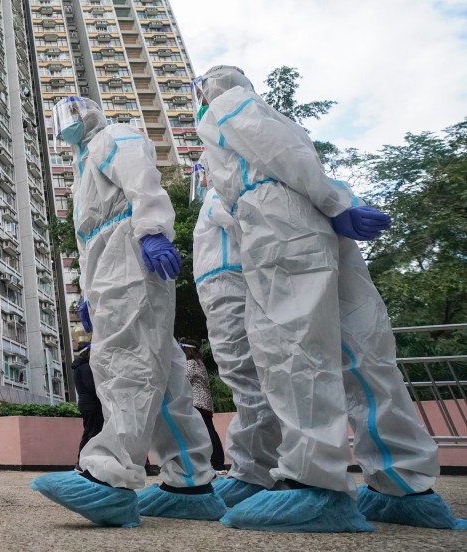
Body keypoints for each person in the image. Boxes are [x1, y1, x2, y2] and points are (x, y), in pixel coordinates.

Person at [195, 65, 465, 532]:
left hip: (279, 225)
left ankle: (314, 484)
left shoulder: (227, 107)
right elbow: (297, 154)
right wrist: (338, 202)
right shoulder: (267, 117)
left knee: (294, 353)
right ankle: (404, 487)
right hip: (308, 221)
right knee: (362, 357)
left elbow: (282, 153)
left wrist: (334, 201)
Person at [30, 97, 225, 528]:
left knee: (127, 360)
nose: (65, 124)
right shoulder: (84, 165)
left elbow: (143, 182)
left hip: (129, 251)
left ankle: (109, 475)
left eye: (71, 113)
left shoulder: (113, 137)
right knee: (166, 372)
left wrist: (153, 230)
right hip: (108, 261)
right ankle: (190, 481)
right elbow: (86, 239)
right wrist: (85, 290)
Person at [192, 179, 281, 507]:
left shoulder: (226, 191)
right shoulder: (214, 197)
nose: (199, 176)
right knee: (243, 376)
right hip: (219, 284)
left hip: (232, 280)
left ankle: (258, 472)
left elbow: (244, 223)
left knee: (251, 377)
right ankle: (253, 469)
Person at [179, 339, 226, 472]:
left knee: (207, 433)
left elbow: (183, 379)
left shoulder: (191, 363)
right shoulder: (199, 363)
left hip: (197, 402)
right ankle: (217, 462)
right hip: (204, 403)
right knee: (209, 432)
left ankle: (216, 463)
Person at [71, 339, 101, 464]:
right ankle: (85, 462)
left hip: (86, 404)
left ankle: (82, 461)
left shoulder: (80, 367)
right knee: (93, 433)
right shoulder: (85, 368)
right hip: (91, 404)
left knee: (88, 432)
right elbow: (91, 386)